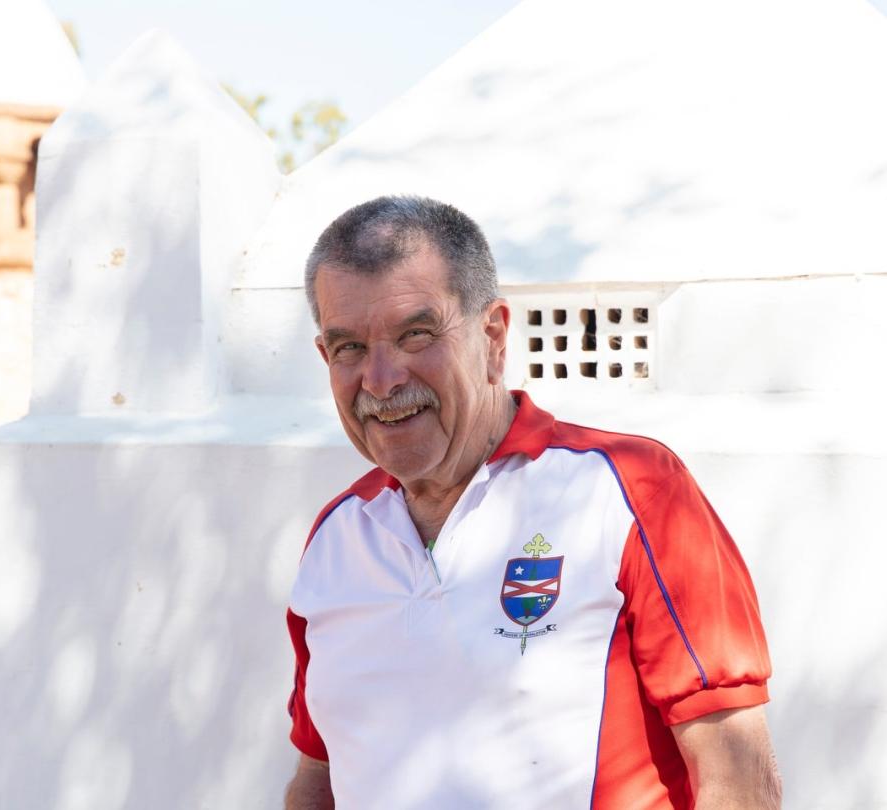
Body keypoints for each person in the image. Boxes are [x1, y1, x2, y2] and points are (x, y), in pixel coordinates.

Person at [284, 196, 780, 809]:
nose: (382, 380)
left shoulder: (632, 490)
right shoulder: (334, 538)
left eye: (416, 335)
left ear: (492, 337)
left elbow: (736, 778)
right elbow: (320, 777)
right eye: (349, 348)